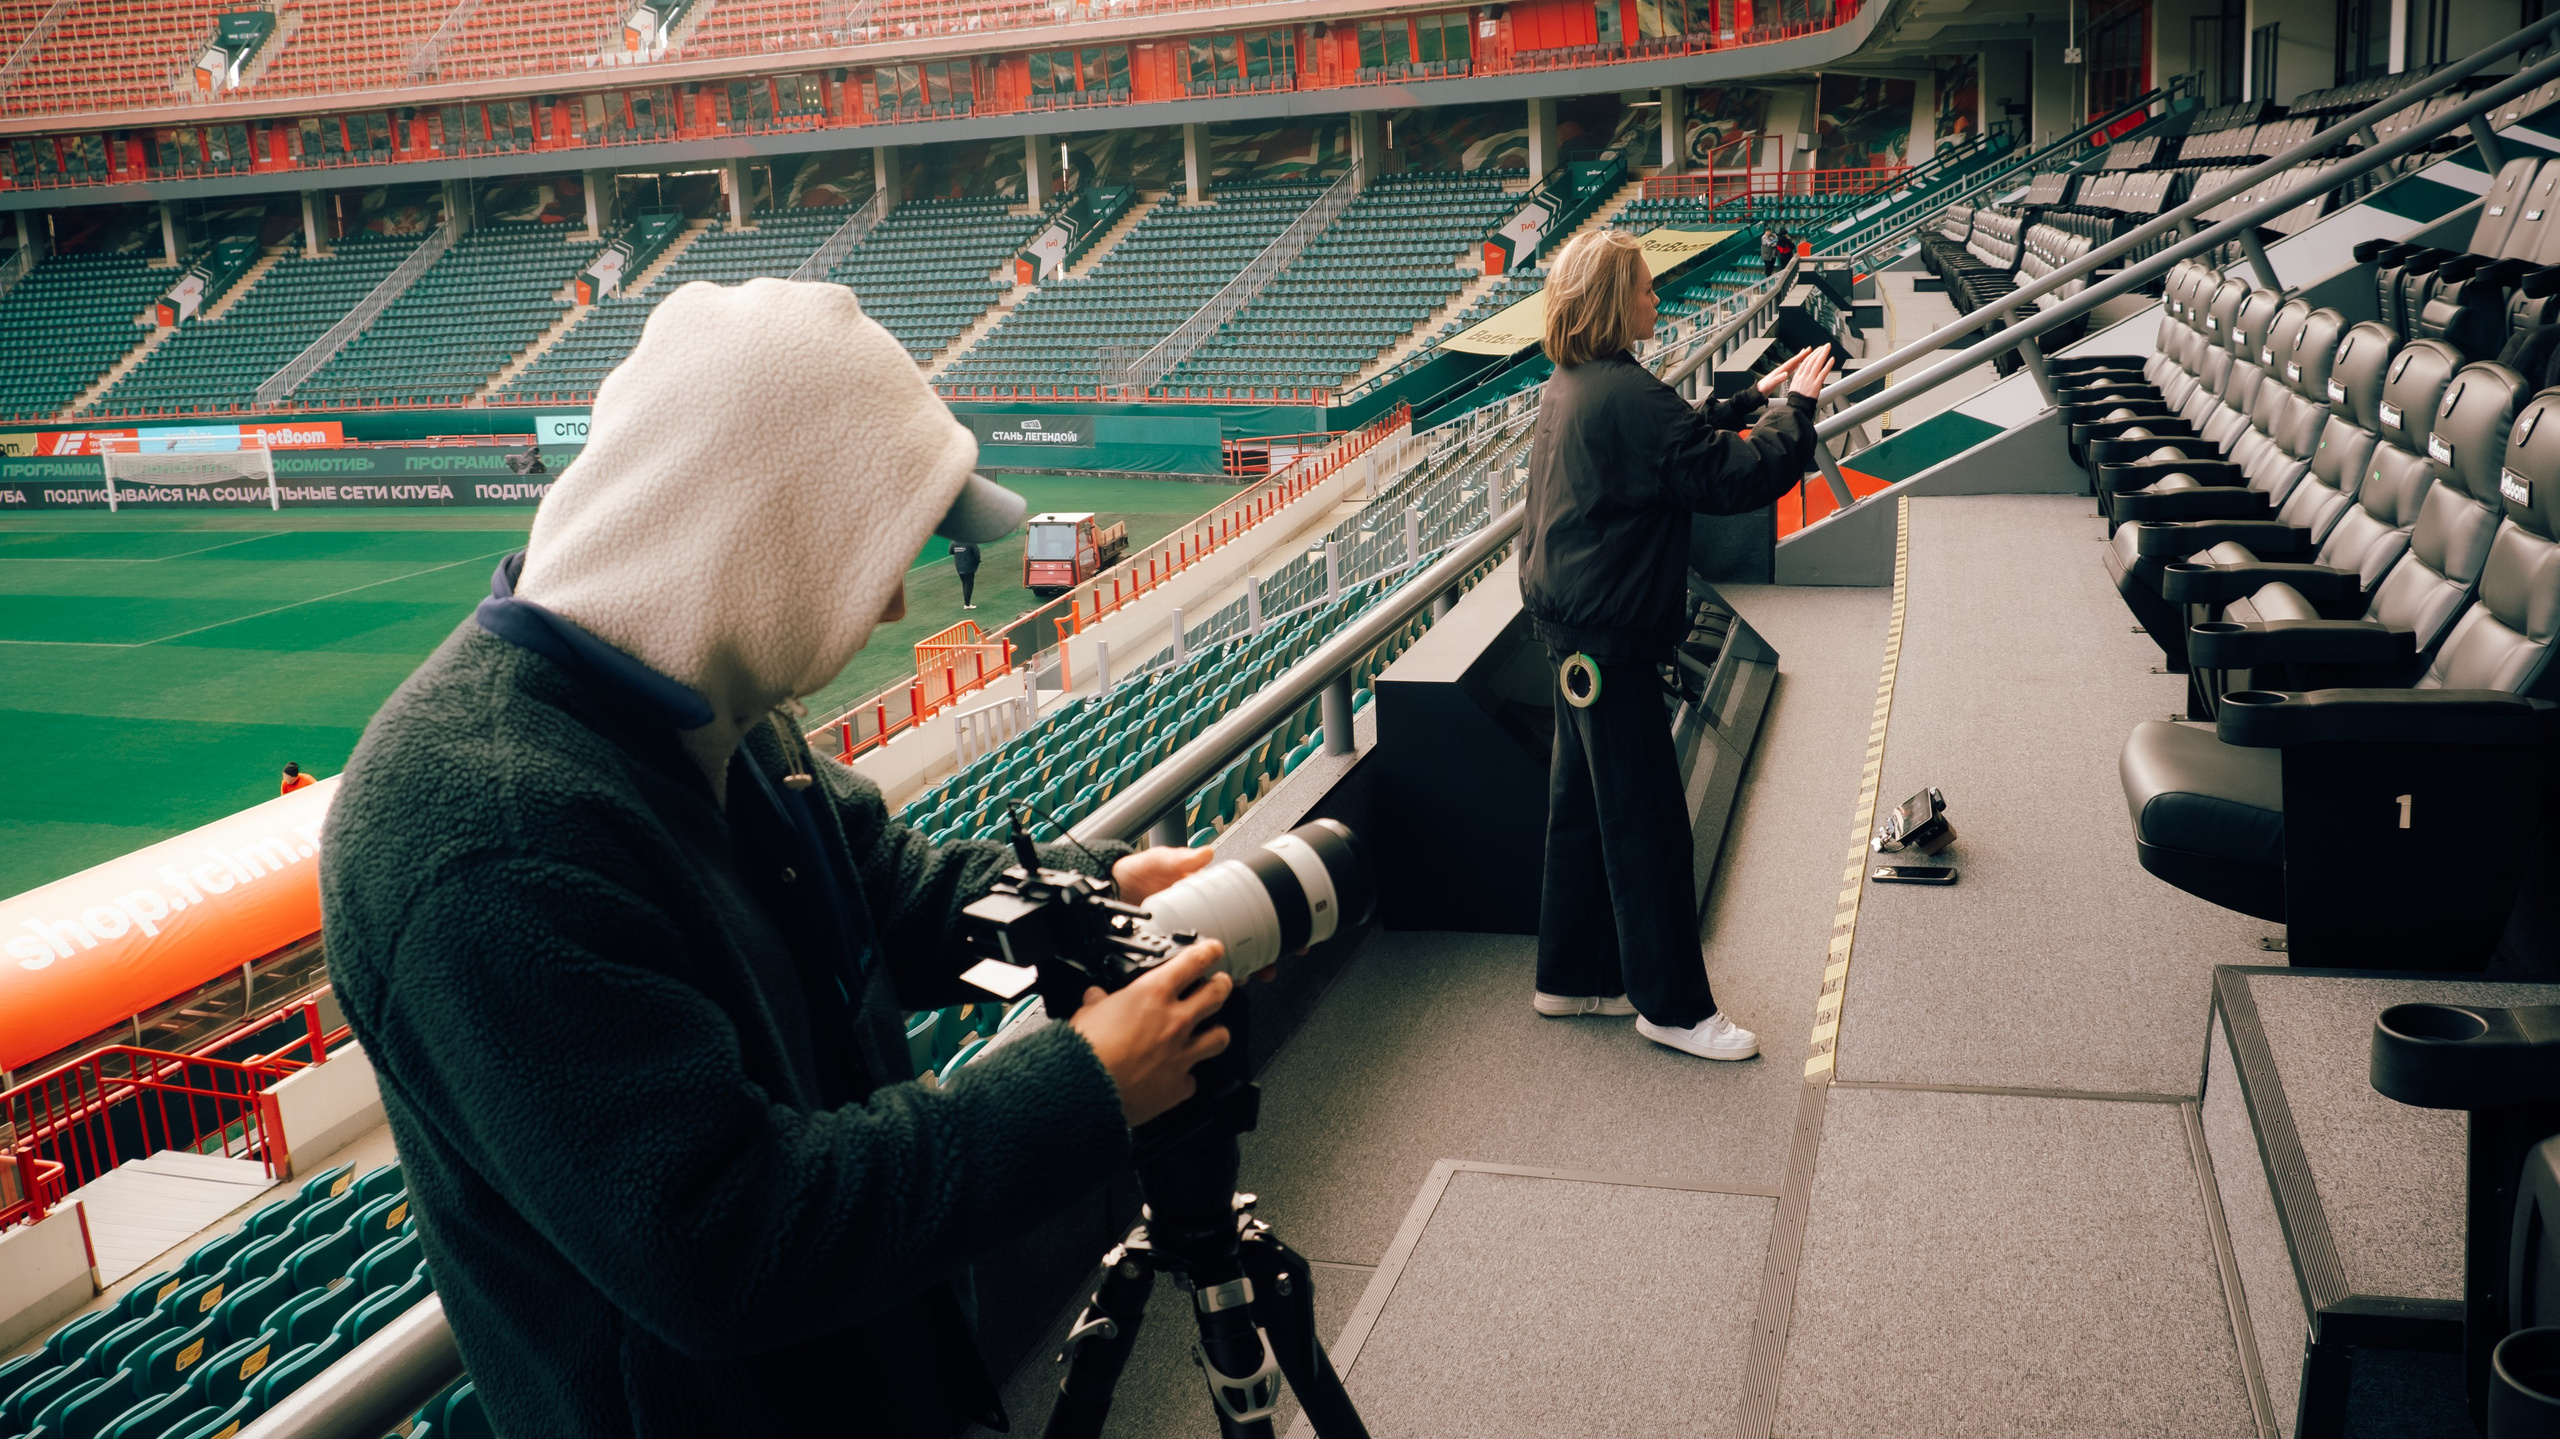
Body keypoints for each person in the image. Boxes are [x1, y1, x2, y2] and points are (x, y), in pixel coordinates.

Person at [320, 278, 1244, 1439]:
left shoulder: (708, 698)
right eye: (877, 555)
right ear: (765, 539)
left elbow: (890, 894)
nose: (896, 605)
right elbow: (723, 1240)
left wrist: (1084, 893)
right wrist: (1082, 1086)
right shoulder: (484, 840)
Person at [1518, 228, 1833, 1062]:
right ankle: (1674, 1009)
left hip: (1571, 634)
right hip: (1611, 643)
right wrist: (1796, 410)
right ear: (1613, 300)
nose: (1656, 298)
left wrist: (1749, 397)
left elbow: (1671, 445)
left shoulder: (1577, 383)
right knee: (1649, 826)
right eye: (1645, 286)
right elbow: (1734, 477)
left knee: (1582, 815)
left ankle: (1573, 975)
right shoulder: (1624, 392)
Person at [950, 537, 981, 609]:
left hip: (959, 566)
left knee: (964, 583)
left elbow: (951, 552)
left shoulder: (954, 541)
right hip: (969, 567)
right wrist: (977, 562)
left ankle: (967, 603)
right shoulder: (970, 541)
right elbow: (977, 554)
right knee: (968, 585)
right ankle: (967, 604)